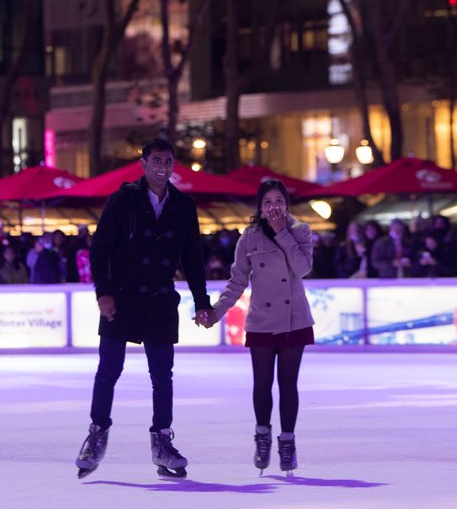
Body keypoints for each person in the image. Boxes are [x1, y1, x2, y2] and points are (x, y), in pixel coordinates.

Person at [74, 137, 212, 480]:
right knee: (109, 370)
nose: (162, 168)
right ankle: (96, 436)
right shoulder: (124, 200)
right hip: (122, 298)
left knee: (162, 377)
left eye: (168, 162)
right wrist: (103, 293)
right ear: (144, 164)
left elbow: (193, 258)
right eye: (157, 161)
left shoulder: (183, 205)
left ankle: (162, 442)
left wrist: (202, 302)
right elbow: (100, 248)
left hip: (161, 300)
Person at [207, 179, 314, 474]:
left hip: (295, 320)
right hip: (262, 321)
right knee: (262, 384)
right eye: (267, 202)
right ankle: (263, 436)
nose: (274, 207)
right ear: (260, 207)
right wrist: (216, 312)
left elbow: (303, 268)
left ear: (286, 204)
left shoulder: (300, 231)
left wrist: (283, 234)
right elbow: (237, 281)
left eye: (278, 201)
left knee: (288, 384)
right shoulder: (249, 239)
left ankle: (288, 442)